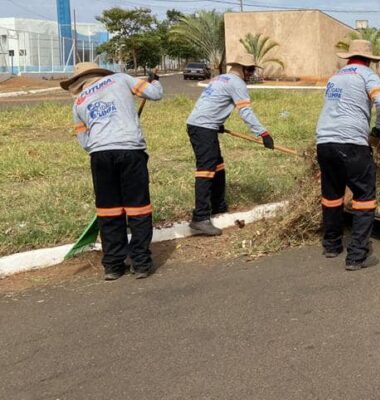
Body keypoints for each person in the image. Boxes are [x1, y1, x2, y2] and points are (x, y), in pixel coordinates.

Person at [61, 62, 163, 280]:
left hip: (100, 156)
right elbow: (154, 94)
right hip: (130, 151)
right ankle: (141, 263)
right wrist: (155, 81)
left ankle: (113, 266)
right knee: (138, 209)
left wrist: (103, 145)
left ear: (79, 83)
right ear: (100, 73)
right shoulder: (120, 79)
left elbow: (84, 140)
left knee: (109, 211)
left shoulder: (78, 101)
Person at [315, 39, 380, 271]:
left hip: (324, 143)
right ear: (369, 60)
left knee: (332, 195)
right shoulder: (367, 75)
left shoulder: (335, 77)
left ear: (349, 58)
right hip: (352, 144)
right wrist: (379, 128)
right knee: (364, 196)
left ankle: (331, 245)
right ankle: (357, 255)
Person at [186, 54, 274, 236]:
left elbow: (210, 103)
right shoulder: (237, 83)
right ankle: (200, 218)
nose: (250, 73)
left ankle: (218, 206)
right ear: (241, 68)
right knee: (206, 170)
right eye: (249, 70)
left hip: (201, 125)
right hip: (203, 128)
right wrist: (263, 133)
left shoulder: (220, 78)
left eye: (252, 70)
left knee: (218, 166)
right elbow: (246, 112)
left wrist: (216, 123)